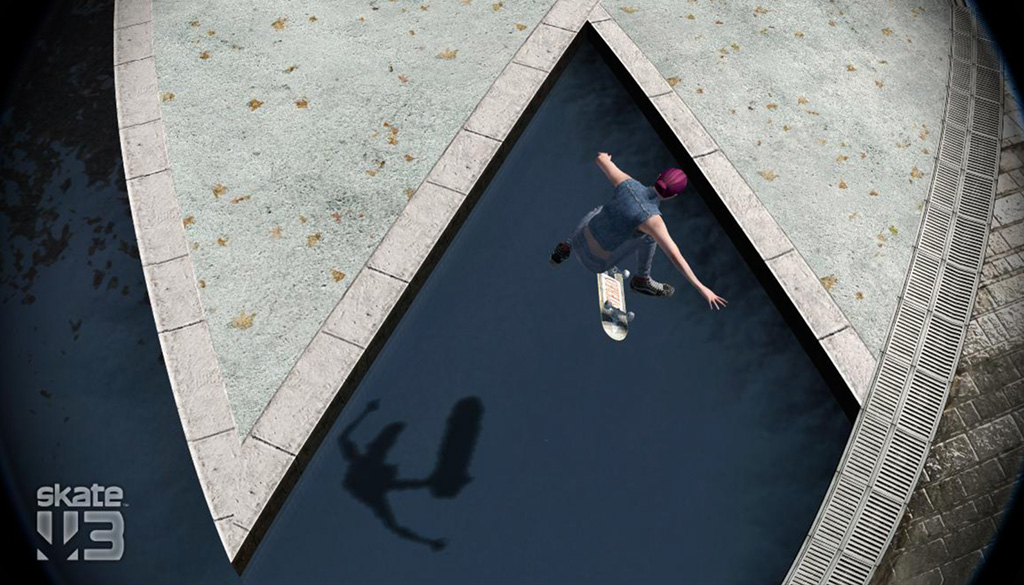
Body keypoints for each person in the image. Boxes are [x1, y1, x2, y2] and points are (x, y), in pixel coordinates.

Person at [550, 152, 728, 311]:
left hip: (579, 240)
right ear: (673, 196)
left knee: (600, 210)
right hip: (595, 263)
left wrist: (607, 158)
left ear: (658, 177)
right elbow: (675, 256)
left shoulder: (627, 184)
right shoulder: (653, 220)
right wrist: (701, 287)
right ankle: (642, 280)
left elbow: (600, 158)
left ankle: (566, 246)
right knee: (649, 237)